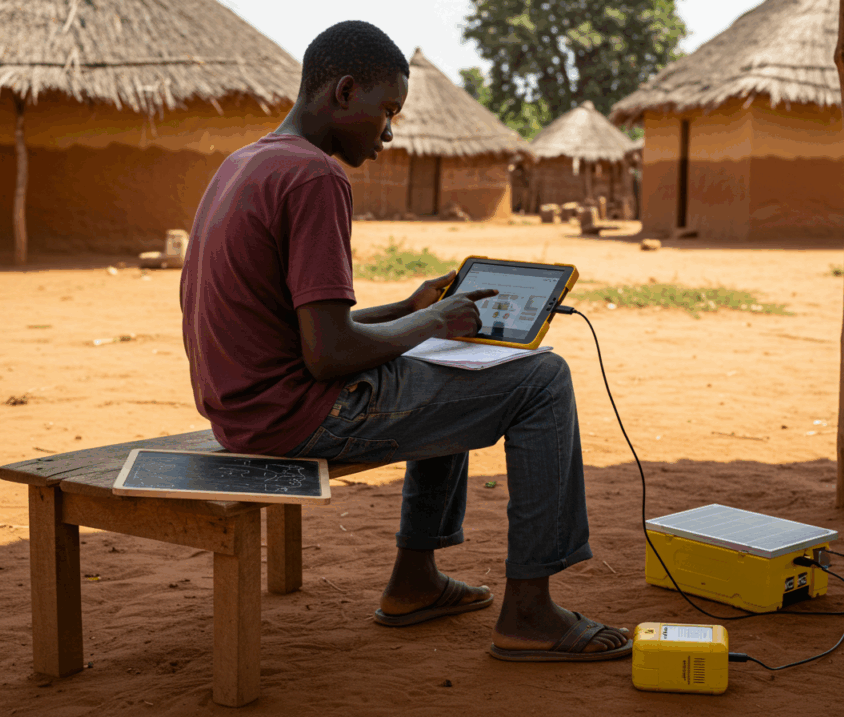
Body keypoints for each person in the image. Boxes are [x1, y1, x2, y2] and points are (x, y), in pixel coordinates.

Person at [180, 20, 630, 662]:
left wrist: (412, 309)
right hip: (297, 418)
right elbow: (329, 356)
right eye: (386, 110)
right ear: (343, 93)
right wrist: (436, 321)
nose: (390, 132)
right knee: (541, 377)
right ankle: (529, 610)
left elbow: (309, 329)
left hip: (241, 413)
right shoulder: (315, 178)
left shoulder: (247, 161)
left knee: (452, 367)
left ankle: (414, 582)